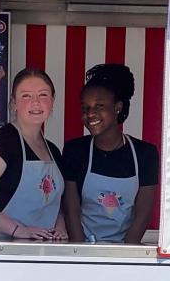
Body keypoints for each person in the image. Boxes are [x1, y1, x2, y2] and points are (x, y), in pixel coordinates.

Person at [62, 63, 159, 244]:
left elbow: (142, 215)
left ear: (118, 107)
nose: (90, 113)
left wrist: (124, 257)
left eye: (99, 105)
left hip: (125, 253)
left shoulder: (145, 154)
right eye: (85, 107)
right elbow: (71, 210)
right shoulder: (75, 150)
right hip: (83, 250)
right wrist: (79, 254)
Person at [0, 68, 67, 241]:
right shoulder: (3, 141)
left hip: (43, 252)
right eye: (26, 96)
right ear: (13, 103)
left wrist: (60, 227)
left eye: (43, 95)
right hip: (4, 252)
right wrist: (18, 230)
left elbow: (55, 205)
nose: (35, 103)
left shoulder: (53, 151)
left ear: (52, 100)